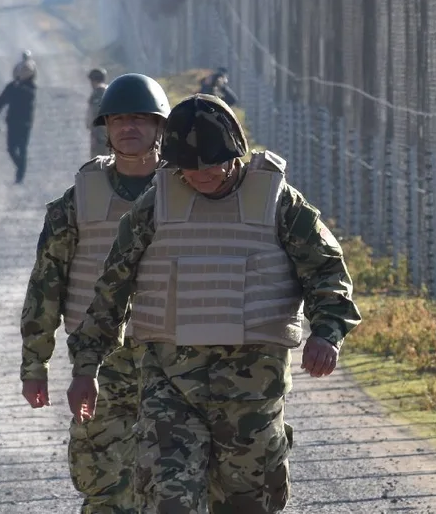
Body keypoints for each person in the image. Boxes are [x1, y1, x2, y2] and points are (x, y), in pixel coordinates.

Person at [67, 94, 361, 513]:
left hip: (251, 391)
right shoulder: (156, 205)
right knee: (169, 502)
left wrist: (328, 333)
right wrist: (85, 367)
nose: (200, 176)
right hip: (169, 385)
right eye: (187, 168)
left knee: (246, 505)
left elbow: (327, 272)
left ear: (234, 155)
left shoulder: (278, 202)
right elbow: (111, 288)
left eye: (210, 166)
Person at [21, 73, 171, 514]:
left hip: (180, 364)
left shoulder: (189, 193)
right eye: (119, 118)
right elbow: (46, 284)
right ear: (105, 128)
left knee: (177, 484)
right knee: (104, 484)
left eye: (141, 118)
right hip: (101, 364)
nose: (129, 127)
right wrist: (35, 363)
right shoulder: (76, 203)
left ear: (160, 127)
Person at [0, 53, 39, 183]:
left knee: (22, 148)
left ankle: (20, 175)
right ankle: (21, 168)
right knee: (11, 149)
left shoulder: (30, 88)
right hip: (12, 122)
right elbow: (0, 102)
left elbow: (28, 98)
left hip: (25, 123)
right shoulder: (12, 87)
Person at [87, 68, 109, 158]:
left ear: (93, 80)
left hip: (100, 137)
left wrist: (95, 135)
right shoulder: (110, 91)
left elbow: (95, 116)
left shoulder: (98, 94)